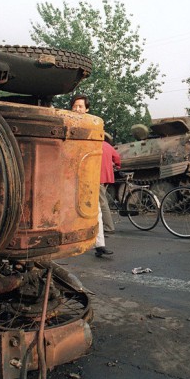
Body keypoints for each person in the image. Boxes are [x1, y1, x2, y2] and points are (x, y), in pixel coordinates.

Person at [70, 94, 114, 257]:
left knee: (96, 210)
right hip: (67, 176)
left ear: (87, 109)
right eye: (74, 106)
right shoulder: (66, 123)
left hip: (88, 176)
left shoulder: (93, 126)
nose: (77, 109)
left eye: (80, 106)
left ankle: (99, 245)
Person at [100, 133, 121, 234]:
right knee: (101, 200)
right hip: (107, 177)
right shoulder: (108, 146)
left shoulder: (95, 145)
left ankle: (109, 227)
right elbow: (117, 158)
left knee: (102, 202)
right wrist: (117, 166)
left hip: (98, 177)